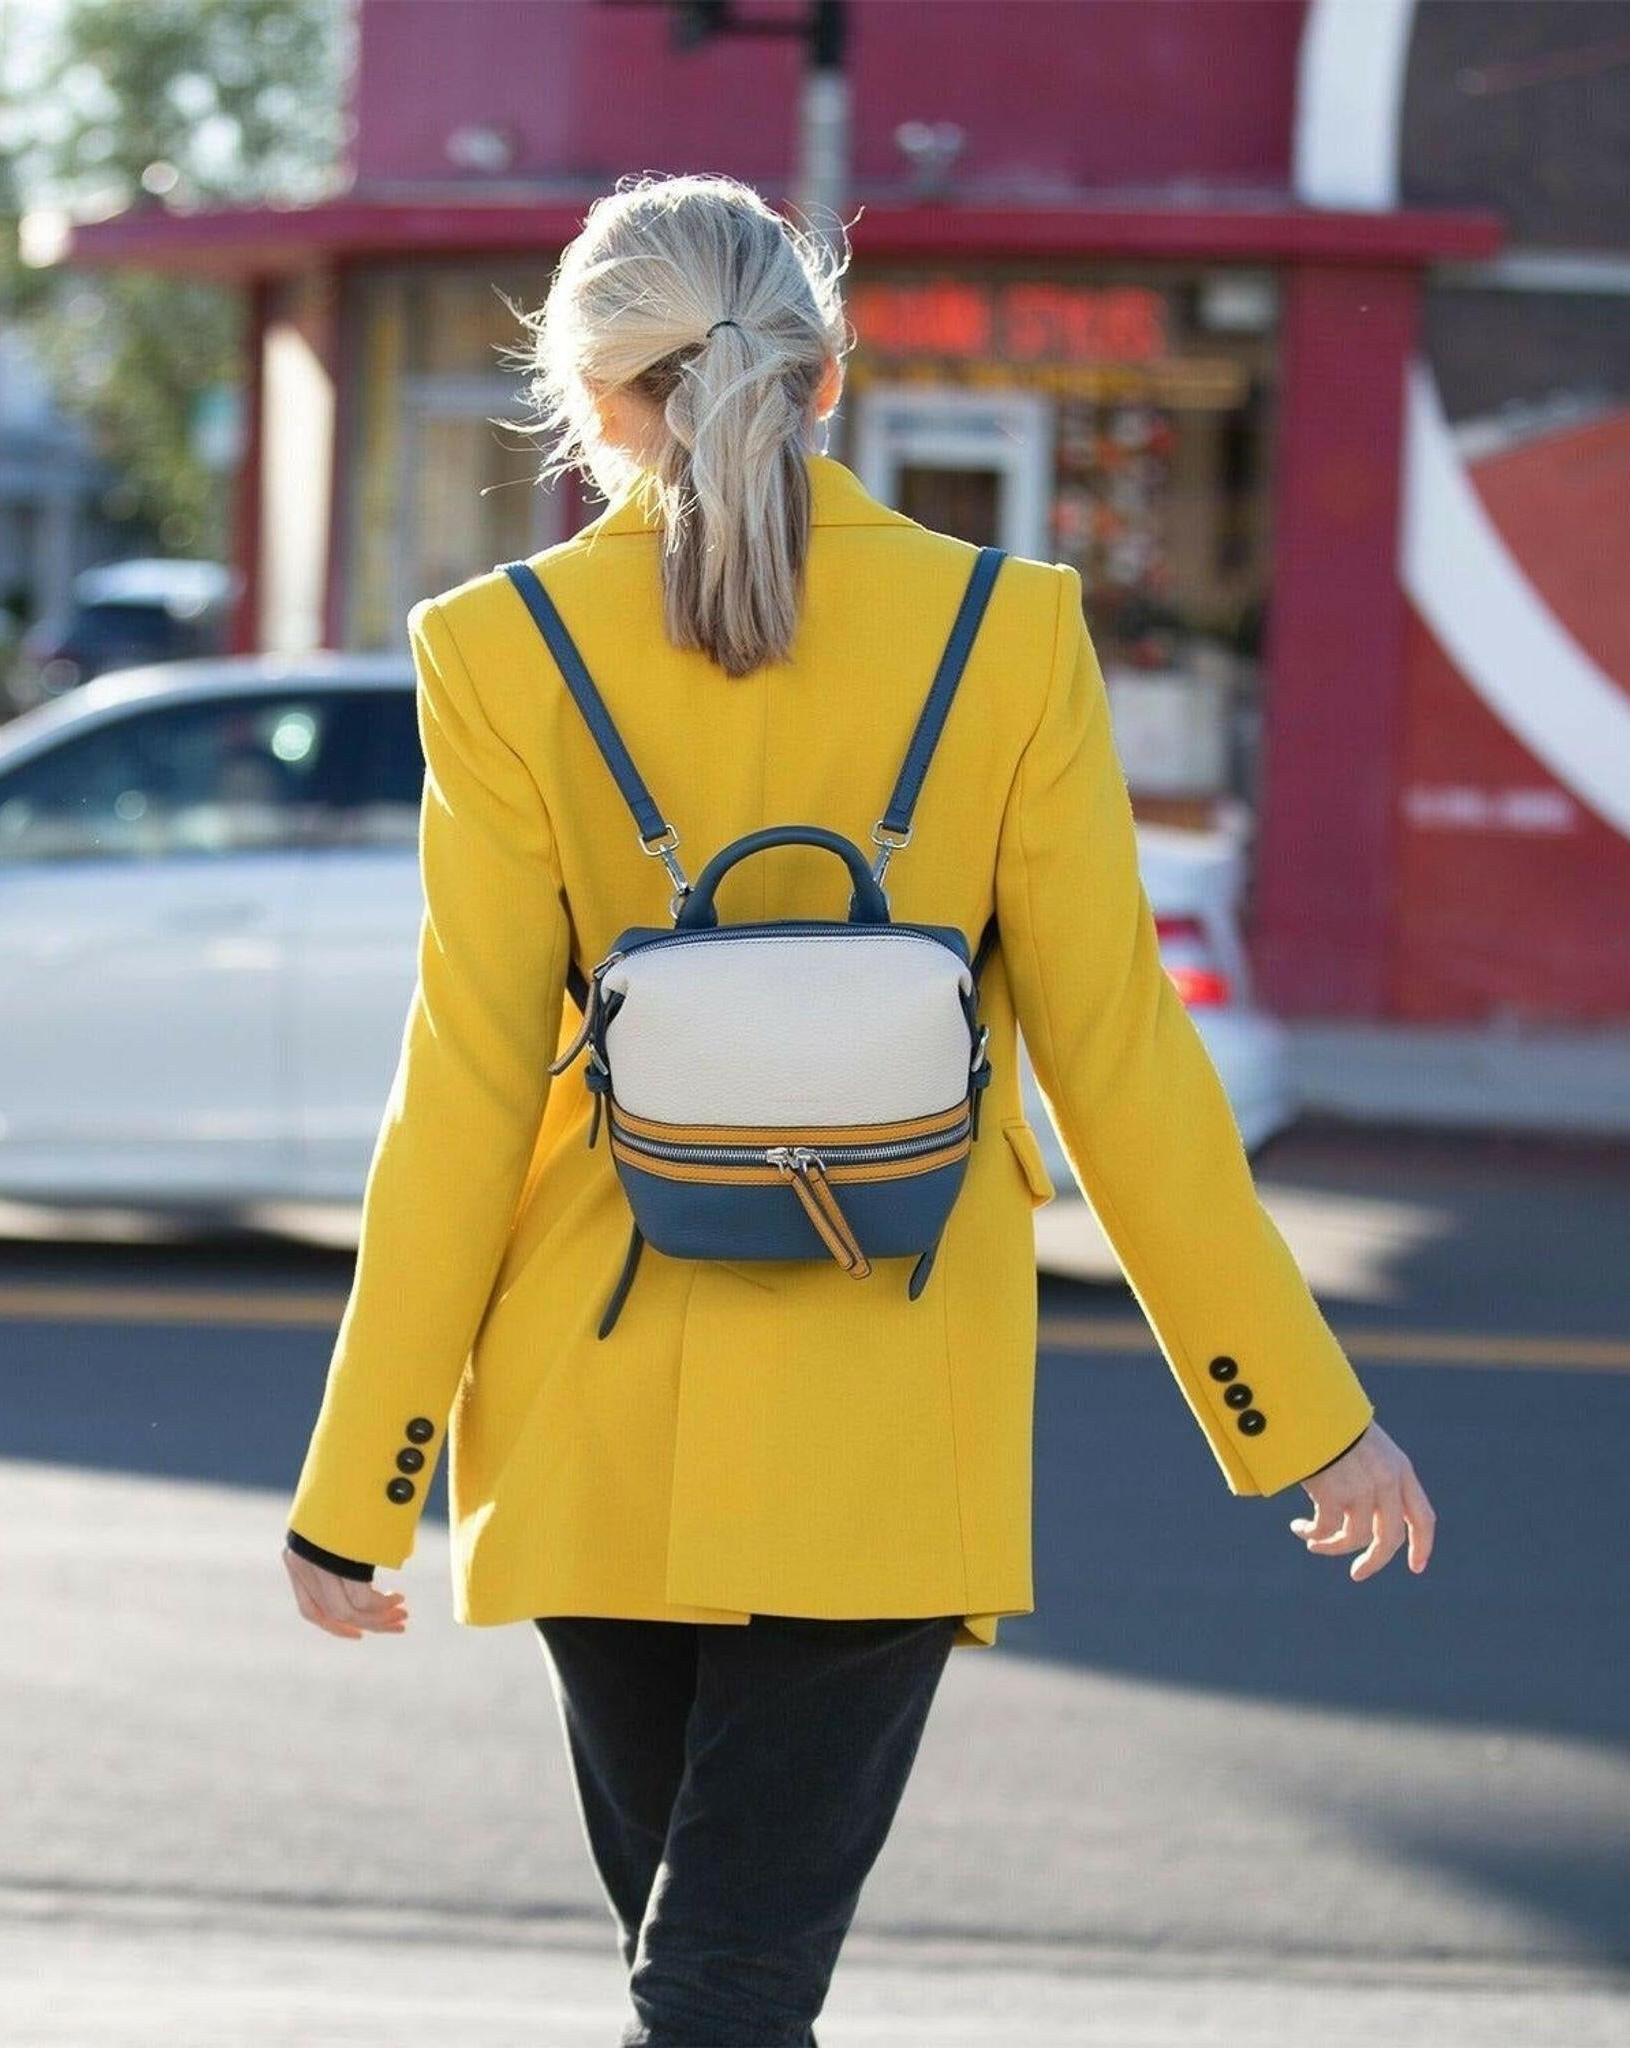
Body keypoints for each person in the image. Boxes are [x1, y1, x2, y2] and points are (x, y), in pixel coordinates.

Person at [280, 171, 1436, 2047]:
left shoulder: (501, 650)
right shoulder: (1007, 629)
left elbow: (466, 1097)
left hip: (593, 1418)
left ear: (588, 403)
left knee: (710, 1987)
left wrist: (364, 1487)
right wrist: (1305, 1419)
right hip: (896, 1408)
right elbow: (1122, 1063)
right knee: (727, 1992)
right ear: (829, 381)